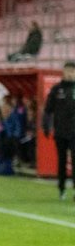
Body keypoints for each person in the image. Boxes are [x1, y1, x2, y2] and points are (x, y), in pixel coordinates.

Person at [42, 61, 75, 199]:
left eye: (72, 71)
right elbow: (48, 110)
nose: (70, 74)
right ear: (63, 72)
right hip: (60, 131)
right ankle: (61, 188)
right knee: (61, 161)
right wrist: (46, 126)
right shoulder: (56, 89)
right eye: (67, 71)